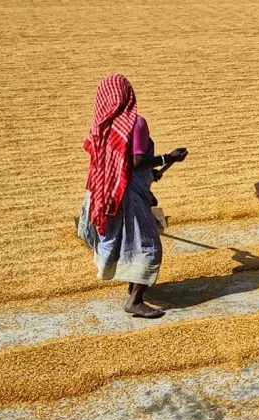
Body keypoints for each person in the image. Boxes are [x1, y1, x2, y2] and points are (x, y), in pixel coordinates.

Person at [78, 74, 187, 318]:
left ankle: (133, 286)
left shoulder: (100, 126)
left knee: (125, 240)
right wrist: (168, 158)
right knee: (147, 244)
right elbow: (136, 162)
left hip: (103, 193)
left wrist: (151, 174)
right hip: (128, 195)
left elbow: (114, 163)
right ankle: (135, 301)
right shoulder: (136, 123)